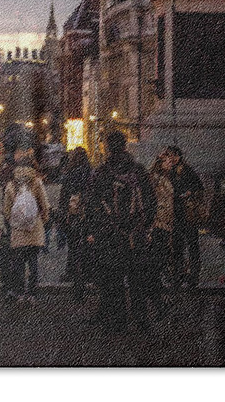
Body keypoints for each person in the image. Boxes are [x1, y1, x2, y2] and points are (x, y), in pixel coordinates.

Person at [86, 130, 156, 334]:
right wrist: (145, 226)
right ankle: (141, 320)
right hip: (135, 235)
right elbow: (151, 201)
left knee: (113, 282)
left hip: (110, 237)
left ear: (108, 147)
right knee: (137, 281)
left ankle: (118, 322)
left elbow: (91, 205)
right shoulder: (139, 171)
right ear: (125, 146)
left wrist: (96, 231)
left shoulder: (101, 173)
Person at [3, 147, 50, 303]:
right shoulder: (36, 182)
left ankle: (20, 293)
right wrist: (41, 220)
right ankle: (33, 294)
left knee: (19, 264)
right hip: (34, 228)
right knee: (33, 262)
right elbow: (45, 205)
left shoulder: (12, 185)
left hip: (18, 231)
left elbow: (6, 209)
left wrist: (13, 223)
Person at [166, 146, 204, 288]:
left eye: (172, 155)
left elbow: (198, 188)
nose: (170, 158)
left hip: (186, 213)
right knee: (178, 246)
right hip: (176, 213)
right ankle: (179, 274)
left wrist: (188, 193)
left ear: (178, 156)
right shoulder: (170, 171)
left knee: (190, 244)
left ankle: (191, 275)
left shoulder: (186, 171)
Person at [59, 146, 93, 301]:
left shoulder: (70, 173)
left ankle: (72, 273)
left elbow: (64, 195)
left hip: (72, 214)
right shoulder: (90, 172)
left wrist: (62, 213)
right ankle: (87, 273)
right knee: (85, 245)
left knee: (73, 246)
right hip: (87, 214)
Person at [148, 151, 174, 314]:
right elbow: (154, 203)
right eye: (168, 162)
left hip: (165, 226)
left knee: (158, 265)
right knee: (156, 265)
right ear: (160, 163)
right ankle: (157, 301)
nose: (171, 164)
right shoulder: (156, 179)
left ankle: (157, 299)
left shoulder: (166, 178)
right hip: (158, 226)